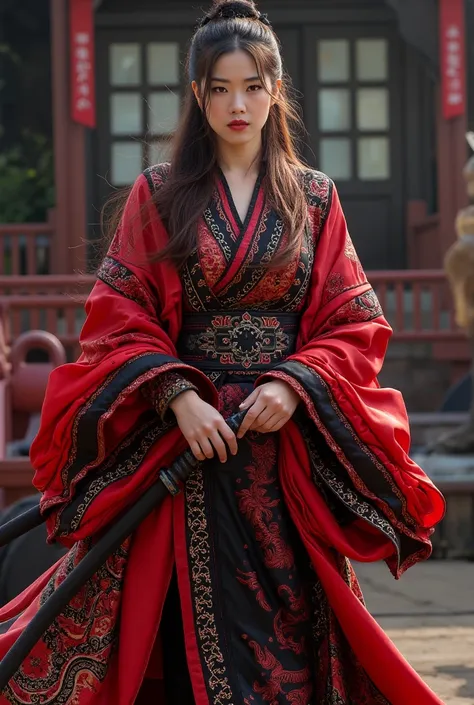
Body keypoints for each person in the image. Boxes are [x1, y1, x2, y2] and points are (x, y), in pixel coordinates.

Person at [0, 1, 446, 703]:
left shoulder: (317, 200)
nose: (237, 104)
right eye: (219, 88)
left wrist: (296, 384)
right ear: (199, 96)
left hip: (283, 446)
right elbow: (117, 316)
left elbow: (354, 322)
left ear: (275, 90)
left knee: (297, 631)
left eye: (251, 85)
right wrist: (178, 396)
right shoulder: (160, 193)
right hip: (190, 445)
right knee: (169, 636)